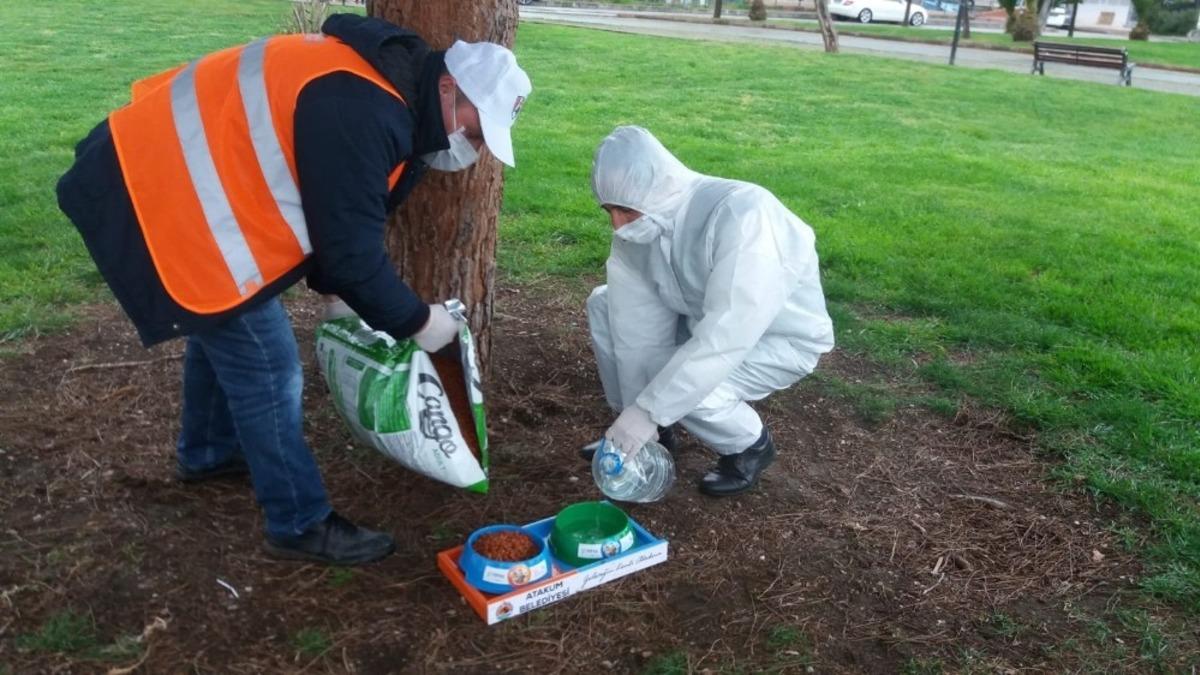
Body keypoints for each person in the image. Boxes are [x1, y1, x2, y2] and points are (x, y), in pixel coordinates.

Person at [55, 15, 532, 564]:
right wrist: (419, 322)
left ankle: (207, 453)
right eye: (476, 128)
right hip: (156, 188)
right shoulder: (368, 108)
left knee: (221, 316)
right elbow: (350, 253)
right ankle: (299, 521)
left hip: (168, 178)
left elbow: (341, 213)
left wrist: (335, 294)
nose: (474, 145)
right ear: (448, 87)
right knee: (269, 366)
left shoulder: (394, 95)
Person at [582, 126, 834, 497]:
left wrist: (650, 409)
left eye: (625, 210)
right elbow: (634, 326)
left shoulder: (744, 214)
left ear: (656, 191)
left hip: (776, 340)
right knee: (605, 304)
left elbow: (728, 333)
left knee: (686, 384)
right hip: (699, 319)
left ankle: (749, 447)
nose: (616, 224)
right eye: (609, 211)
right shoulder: (643, 225)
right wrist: (636, 419)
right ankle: (648, 437)